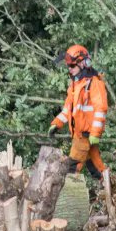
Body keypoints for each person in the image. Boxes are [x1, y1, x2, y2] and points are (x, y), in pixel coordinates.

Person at [48, 44, 108, 177]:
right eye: (68, 66)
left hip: (86, 134)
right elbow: (68, 109)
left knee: (72, 167)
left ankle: (68, 195)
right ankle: (108, 185)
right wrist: (56, 123)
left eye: (72, 66)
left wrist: (95, 133)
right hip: (78, 133)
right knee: (95, 166)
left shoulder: (94, 83)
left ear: (83, 63)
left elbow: (101, 108)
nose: (70, 69)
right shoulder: (75, 83)